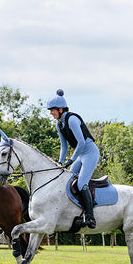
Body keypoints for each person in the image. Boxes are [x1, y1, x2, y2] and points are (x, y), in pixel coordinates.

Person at [46, 89, 100, 228]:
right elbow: (64, 146)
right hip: (81, 155)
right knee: (68, 181)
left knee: (81, 183)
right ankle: (75, 213)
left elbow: (81, 142)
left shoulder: (72, 119)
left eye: (52, 110)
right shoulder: (59, 124)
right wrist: (59, 162)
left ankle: (90, 217)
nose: (50, 113)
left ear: (60, 109)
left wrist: (71, 159)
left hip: (90, 152)